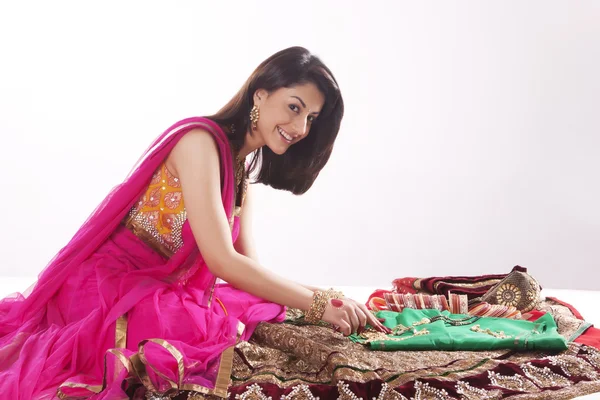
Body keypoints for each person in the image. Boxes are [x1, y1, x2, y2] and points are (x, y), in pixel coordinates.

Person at [0, 46, 388, 400]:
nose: (301, 127)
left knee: (251, 304)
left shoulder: (240, 171)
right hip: (109, 291)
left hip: (157, 289)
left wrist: (330, 297)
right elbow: (222, 261)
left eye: (311, 117)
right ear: (261, 93)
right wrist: (318, 305)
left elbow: (247, 268)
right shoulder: (199, 142)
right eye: (294, 107)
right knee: (192, 333)